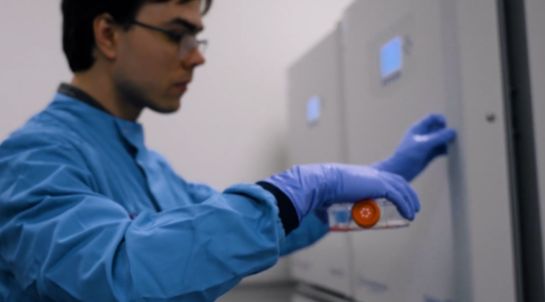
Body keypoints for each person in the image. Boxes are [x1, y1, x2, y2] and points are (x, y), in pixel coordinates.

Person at [0, 0, 456, 301]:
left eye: (197, 38)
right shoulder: (32, 159)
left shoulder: (147, 165)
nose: (195, 55)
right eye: (176, 33)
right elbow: (113, 274)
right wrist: (293, 191)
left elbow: (242, 227)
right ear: (108, 35)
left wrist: (354, 191)